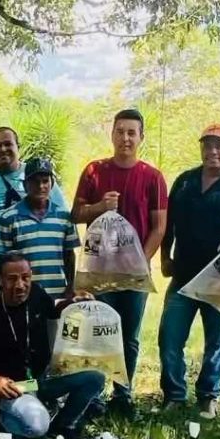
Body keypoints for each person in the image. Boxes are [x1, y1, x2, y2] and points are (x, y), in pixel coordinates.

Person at [0, 252, 104, 439]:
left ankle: (60, 426)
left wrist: (73, 303)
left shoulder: (36, 293)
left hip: (39, 380)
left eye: (25, 278)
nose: (20, 285)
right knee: (36, 427)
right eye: (12, 279)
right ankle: (4, 422)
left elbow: (52, 309)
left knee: (95, 378)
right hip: (10, 388)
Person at [72, 108, 168, 416]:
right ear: (112, 134)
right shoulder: (94, 171)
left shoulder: (152, 177)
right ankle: (95, 394)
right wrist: (100, 207)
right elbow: (76, 214)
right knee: (99, 330)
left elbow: (159, 227)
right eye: (120, 131)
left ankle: (123, 393)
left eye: (131, 132)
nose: (125, 138)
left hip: (135, 273)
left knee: (129, 335)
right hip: (100, 271)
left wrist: (140, 263)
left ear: (141, 137)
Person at [159, 123, 220, 419]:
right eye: (207, 145)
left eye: (219, 145)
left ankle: (208, 396)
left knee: (217, 341)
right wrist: (165, 255)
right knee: (169, 337)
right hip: (184, 274)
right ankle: (174, 394)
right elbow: (168, 223)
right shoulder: (185, 181)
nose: (212, 151)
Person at [0, 127, 67, 294]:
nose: (2, 149)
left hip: (31, 256)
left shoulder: (36, 176)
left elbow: (60, 215)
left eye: (8, 144)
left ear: (17, 146)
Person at [0, 157, 79, 301]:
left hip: (58, 295)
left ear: (52, 183)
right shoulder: (9, 218)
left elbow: (69, 255)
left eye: (45, 181)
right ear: (25, 185)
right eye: (35, 182)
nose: (41, 186)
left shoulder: (64, 216)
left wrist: (71, 286)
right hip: (23, 297)